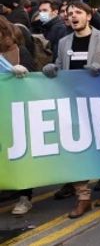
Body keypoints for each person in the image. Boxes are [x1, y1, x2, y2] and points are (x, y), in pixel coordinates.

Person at [41, 1, 100, 218]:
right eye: (70, 14)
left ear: (88, 16)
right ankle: (83, 196)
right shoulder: (63, 41)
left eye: (78, 12)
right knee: (76, 149)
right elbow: (60, 65)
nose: (73, 16)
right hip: (73, 103)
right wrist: (53, 69)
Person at [0, 16, 35, 215]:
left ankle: (25, 196)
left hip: (16, 112)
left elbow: (34, 80)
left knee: (19, 153)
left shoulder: (18, 52)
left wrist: (24, 72)